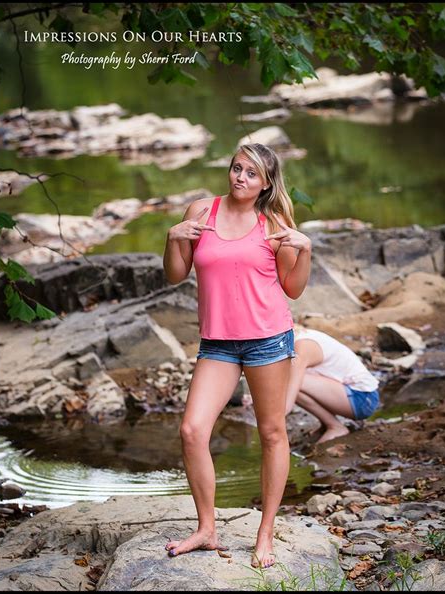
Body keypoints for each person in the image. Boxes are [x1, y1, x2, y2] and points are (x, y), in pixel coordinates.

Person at [162, 143, 312, 569]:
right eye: (235, 169)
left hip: (267, 339)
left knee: (271, 433)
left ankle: (265, 533)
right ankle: (206, 528)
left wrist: (306, 249)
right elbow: (175, 275)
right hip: (218, 343)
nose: (239, 178)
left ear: (266, 183)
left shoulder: (273, 223)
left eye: (250, 174)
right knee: (192, 430)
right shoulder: (200, 212)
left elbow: (293, 288)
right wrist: (172, 237)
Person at [285, 326, 380, 443]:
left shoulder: (302, 347)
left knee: (289, 381)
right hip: (349, 394)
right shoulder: (295, 337)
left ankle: (335, 427)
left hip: (362, 398)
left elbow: (287, 404)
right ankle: (327, 424)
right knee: (290, 380)